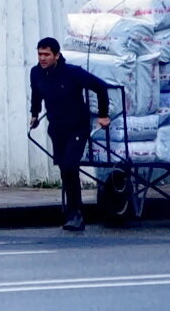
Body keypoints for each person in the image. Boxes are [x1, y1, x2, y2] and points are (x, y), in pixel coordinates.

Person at [29, 37, 110, 232]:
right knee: (64, 170)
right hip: (56, 128)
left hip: (77, 127)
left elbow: (100, 87)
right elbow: (36, 94)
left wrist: (103, 115)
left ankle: (76, 215)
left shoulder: (72, 73)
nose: (42, 58)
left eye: (47, 54)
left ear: (57, 55)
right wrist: (34, 114)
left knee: (70, 166)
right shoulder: (36, 73)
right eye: (40, 54)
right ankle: (69, 212)